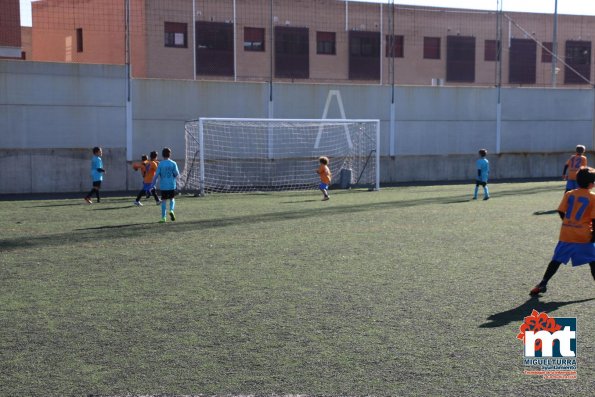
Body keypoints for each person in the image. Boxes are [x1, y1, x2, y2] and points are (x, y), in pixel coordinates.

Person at [529, 166, 595, 296]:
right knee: (593, 262)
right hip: (583, 235)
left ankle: (542, 283)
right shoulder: (593, 197)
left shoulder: (569, 194)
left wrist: (568, 222)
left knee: (556, 261)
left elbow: (560, 210)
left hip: (566, 233)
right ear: (591, 183)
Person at [152, 147, 180, 223]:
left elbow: (156, 175)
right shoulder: (173, 163)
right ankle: (171, 210)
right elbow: (177, 174)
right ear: (169, 154)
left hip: (163, 186)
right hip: (171, 185)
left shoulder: (160, 164)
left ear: (162, 155)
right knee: (172, 199)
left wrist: (152, 184)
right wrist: (178, 183)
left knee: (163, 201)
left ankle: (163, 218)